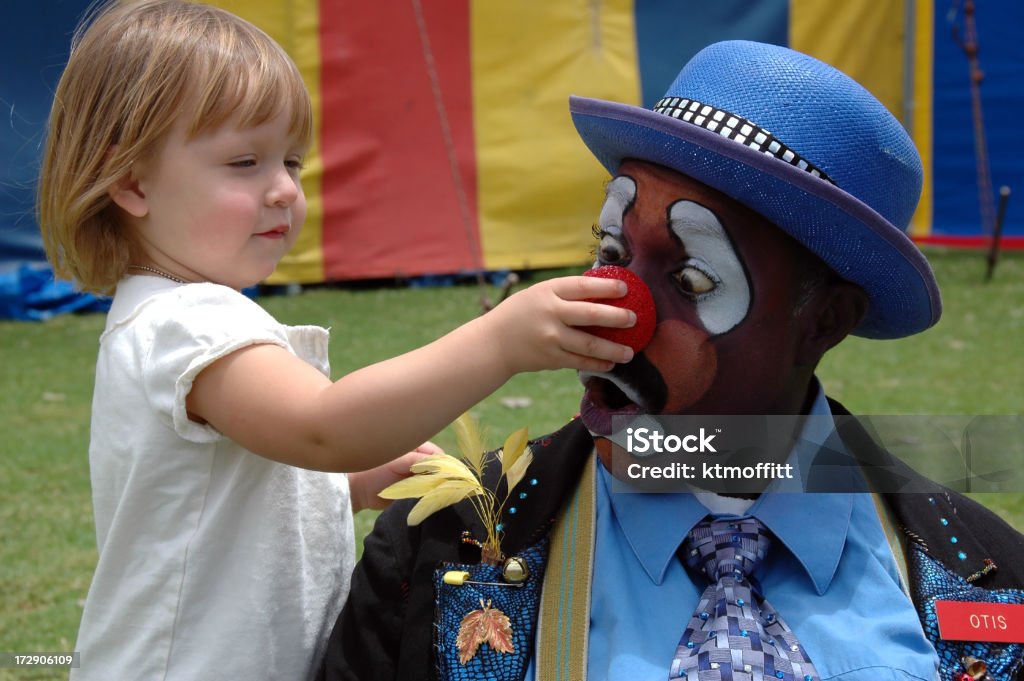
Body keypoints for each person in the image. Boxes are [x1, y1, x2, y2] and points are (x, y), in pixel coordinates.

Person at [317, 41, 1024, 681]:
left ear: (826, 321)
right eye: (612, 253)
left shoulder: (991, 579)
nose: (617, 313)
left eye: (692, 280)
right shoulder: (441, 548)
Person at [35, 1, 639, 679]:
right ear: (131, 182)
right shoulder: (188, 322)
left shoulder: (171, 318)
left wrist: (344, 489)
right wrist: (502, 341)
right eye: (244, 162)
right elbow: (325, 428)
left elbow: (229, 491)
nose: (282, 190)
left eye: (291, 162)